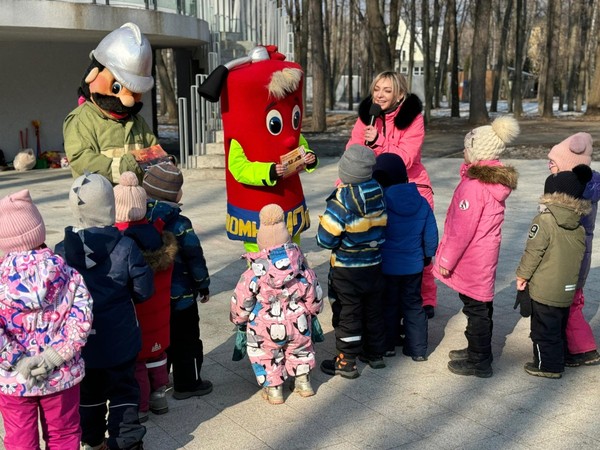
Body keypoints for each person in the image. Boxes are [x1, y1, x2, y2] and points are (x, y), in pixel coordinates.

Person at [55, 172, 154, 450]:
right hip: (120, 338)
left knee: (88, 395)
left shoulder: (61, 251)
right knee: (124, 391)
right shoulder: (125, 246)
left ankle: (92, 440)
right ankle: (125, 442)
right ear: (110, 207)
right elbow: (144, 290)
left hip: (81, 341)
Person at [198, 45, 317, 252]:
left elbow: (301, 146)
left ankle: (293, 278)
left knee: (292, 250)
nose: (290, 138)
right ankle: (261, 283)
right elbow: (238, 168)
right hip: (256, 209)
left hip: (289, 202)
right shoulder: (240, 138)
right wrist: (269, 171)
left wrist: (309, 159)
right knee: (260, 255)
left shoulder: (291, 132)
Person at [0, 190, 93, 450]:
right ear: (39, 232)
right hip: (60, 374)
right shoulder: (68, 274)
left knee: (20, 438)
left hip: (13, 379)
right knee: (64, 434)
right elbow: (80, 323)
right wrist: (52, 357)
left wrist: (18, 361)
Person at [433, 116, 519, 378]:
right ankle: (476, 350)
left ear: (478, 152)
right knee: (480, 306)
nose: (463, 151)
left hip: (471, 257)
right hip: (482, 256)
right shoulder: (490, 182)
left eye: (467, 147)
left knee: (476, 309)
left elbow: (461, 230)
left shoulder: (474, 186)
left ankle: (480, 360)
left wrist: (445, 261)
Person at [346, 71, 436, 319]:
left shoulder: (412, 118)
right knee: (383, 245)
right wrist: (345, 184)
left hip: (411, 188)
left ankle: (425, 298)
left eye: (387, 90)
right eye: (377, 89)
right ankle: (385, 295)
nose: (380, 95)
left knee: (419, 248)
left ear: (400, 94)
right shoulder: (367, 118)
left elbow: (405, 158)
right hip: (377, 188)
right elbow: (353, 152)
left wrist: (378, 142)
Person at [231, 204, 323, 404]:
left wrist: (239, 318)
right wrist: (313, 310)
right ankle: (303, 382)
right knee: (301, 350)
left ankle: (274, 390)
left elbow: (242, 298)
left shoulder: (253, 272)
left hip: (263, 324)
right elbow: (313, 292)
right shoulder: (301, 267)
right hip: (297, 319)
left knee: (266, 355)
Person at [143, 162, 213, 399]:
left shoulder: (139, 219)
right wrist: (202, 283)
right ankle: (188, 383)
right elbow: (194, 257)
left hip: (152, 298)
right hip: (181, 297)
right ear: (177, 195)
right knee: (187, 341)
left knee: (158, 340)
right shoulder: (180, 224)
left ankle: (157, 384)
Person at [317, 144, 387, 378]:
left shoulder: (341, 199)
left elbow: (325, 239)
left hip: (347, 268)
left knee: (349, 312)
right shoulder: (378, 191)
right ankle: (375, 353)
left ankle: (346, 360)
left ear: (345, 172)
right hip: (374, 264)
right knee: (373, 310)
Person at [516, 165, 593, 378]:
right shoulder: (578, 226)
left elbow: (533, 252)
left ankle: (547, 366)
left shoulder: (544, 221)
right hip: (566, 289)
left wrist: (522, 275)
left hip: (545, 288)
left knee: (542, 331)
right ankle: (560, 358)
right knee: (558, 328)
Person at [113, 172, 178, 423]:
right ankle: (159, 397)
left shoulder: (121, 242)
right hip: (160, 317)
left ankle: (141, 406)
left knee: (138, 362)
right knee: (157, 355)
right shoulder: (159, 235)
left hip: (137, 318)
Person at [63, 23, 159, 184]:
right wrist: (124, 169)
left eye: (134, 93)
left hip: (137, 200)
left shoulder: (136, 122)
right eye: (117, 88)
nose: (128, 101)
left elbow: (153, 152)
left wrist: (165, 168)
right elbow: (81, 158)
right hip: (101, 203)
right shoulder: (81, 120)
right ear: (92, 75)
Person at [372, 154, 438, 361]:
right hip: (413, 266)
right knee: (413, 305)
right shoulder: (421, 201)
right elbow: (431, 233)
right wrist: (428, 255)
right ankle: (417, 349)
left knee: (389, 305)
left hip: (388, 266)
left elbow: (377, 233)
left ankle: (389, 345)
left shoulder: (381, 204)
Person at [546, 133, 600, 366]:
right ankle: (574, 346)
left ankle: (582, 350)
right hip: (578, 256)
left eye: (554, 160)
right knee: (572, 300)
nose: (549, 163)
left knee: (569, 303)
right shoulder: (581, 186)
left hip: (571, 258)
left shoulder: (574, 192)